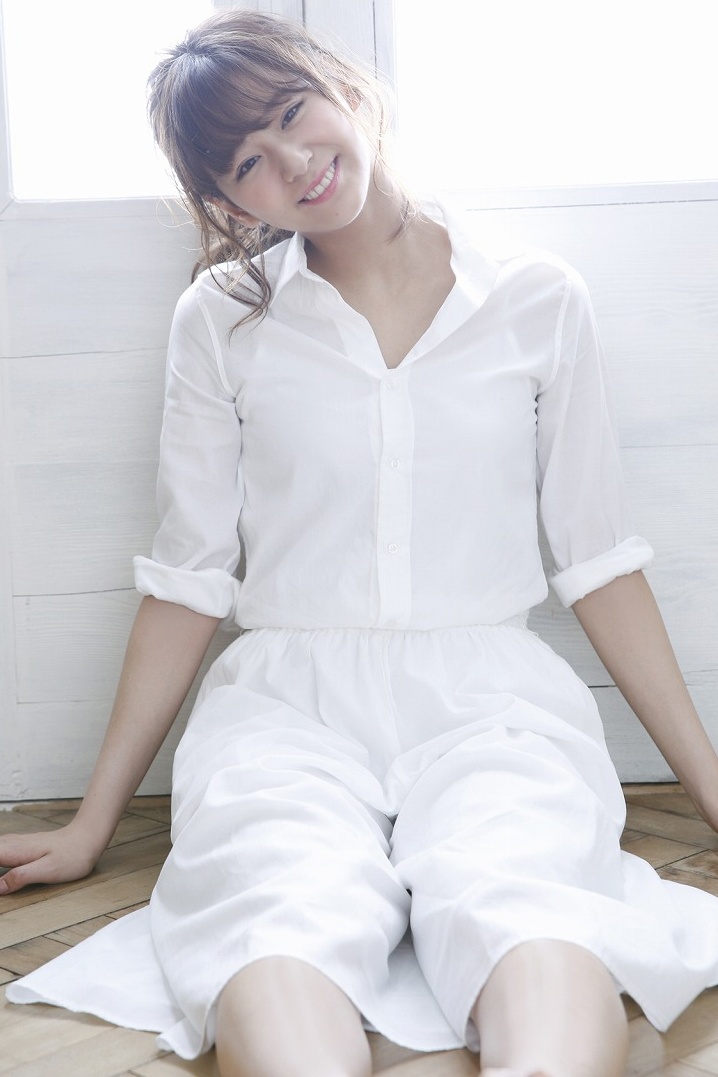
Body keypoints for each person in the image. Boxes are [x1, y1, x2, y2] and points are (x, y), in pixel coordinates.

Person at [2, 11, 718, 1077]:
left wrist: (710, 791)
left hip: (493, 703)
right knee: (276, 921)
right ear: (226, 201)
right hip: (284, 708)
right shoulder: (220, 321)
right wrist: (91, 826)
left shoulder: (534, 297)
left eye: (294, 113)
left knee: (529, 912)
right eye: (248, 161)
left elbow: (598, 562)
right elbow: (188, 581)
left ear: (344, 89)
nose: (293, 162)